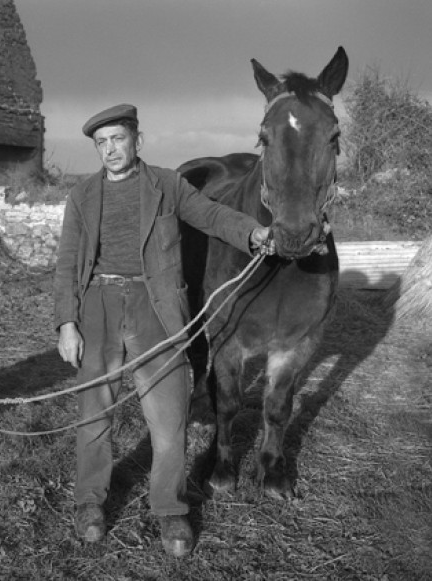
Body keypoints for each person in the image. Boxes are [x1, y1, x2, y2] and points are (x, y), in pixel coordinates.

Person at [53, 104, 274, 557]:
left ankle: (170, 508)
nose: (110, 149)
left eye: (117, 139)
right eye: (101, 143)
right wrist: (67, 323)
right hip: (98, 303)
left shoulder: (168, 185)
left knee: (169, 416)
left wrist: (253, 233)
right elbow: (65, 263)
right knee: (94, 413)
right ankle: (90, 502)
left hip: (158, 306)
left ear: (137, 138)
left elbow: (212, 216)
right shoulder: (82, 195)